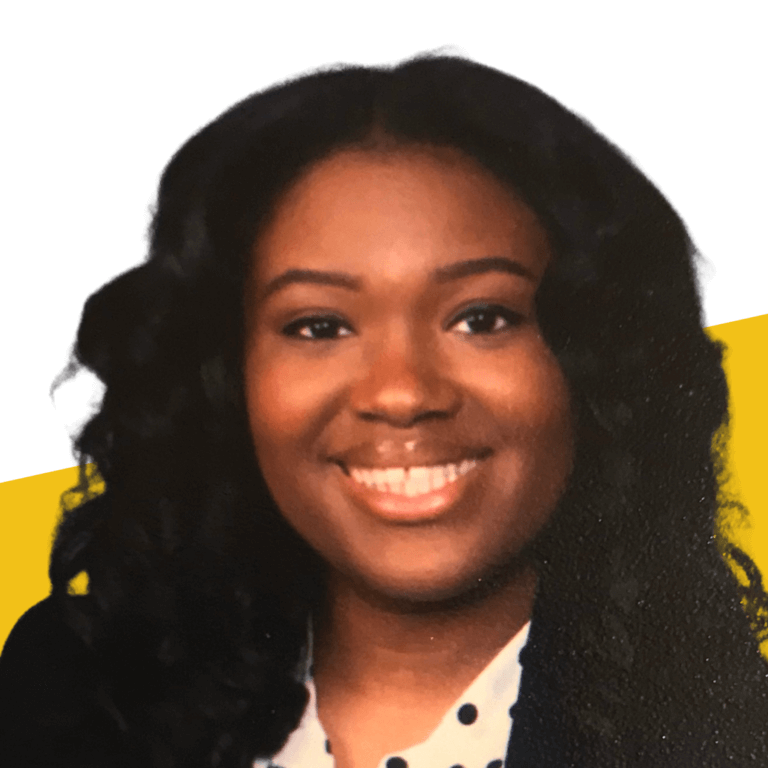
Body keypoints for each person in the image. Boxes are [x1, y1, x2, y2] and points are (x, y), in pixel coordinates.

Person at [1, 55, 766, 768]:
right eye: (319, 326)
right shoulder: (67, 697)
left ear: (597, 363)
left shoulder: (730, 733)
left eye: (482, 318)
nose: (402, 394)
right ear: (226, 376)